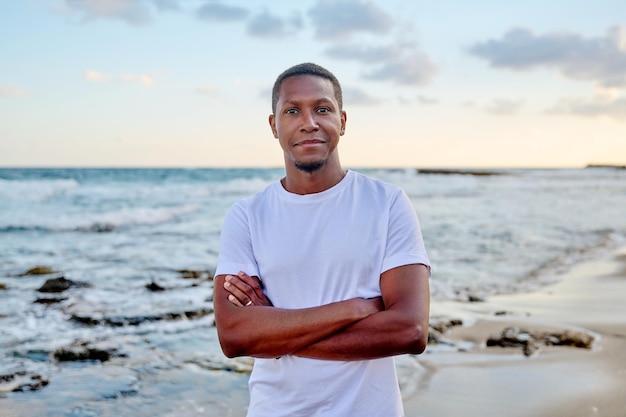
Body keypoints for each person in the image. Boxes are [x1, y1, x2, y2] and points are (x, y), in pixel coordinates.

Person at [213, 62, 430, 417]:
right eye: (292, 110)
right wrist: (356, 308)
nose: (308, 122)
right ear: (274, 125)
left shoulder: (387, 203)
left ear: (342, 121)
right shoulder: (247, 215)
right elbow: (235, 337)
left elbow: (410, 329)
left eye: (322, 109)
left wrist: (275, 333)